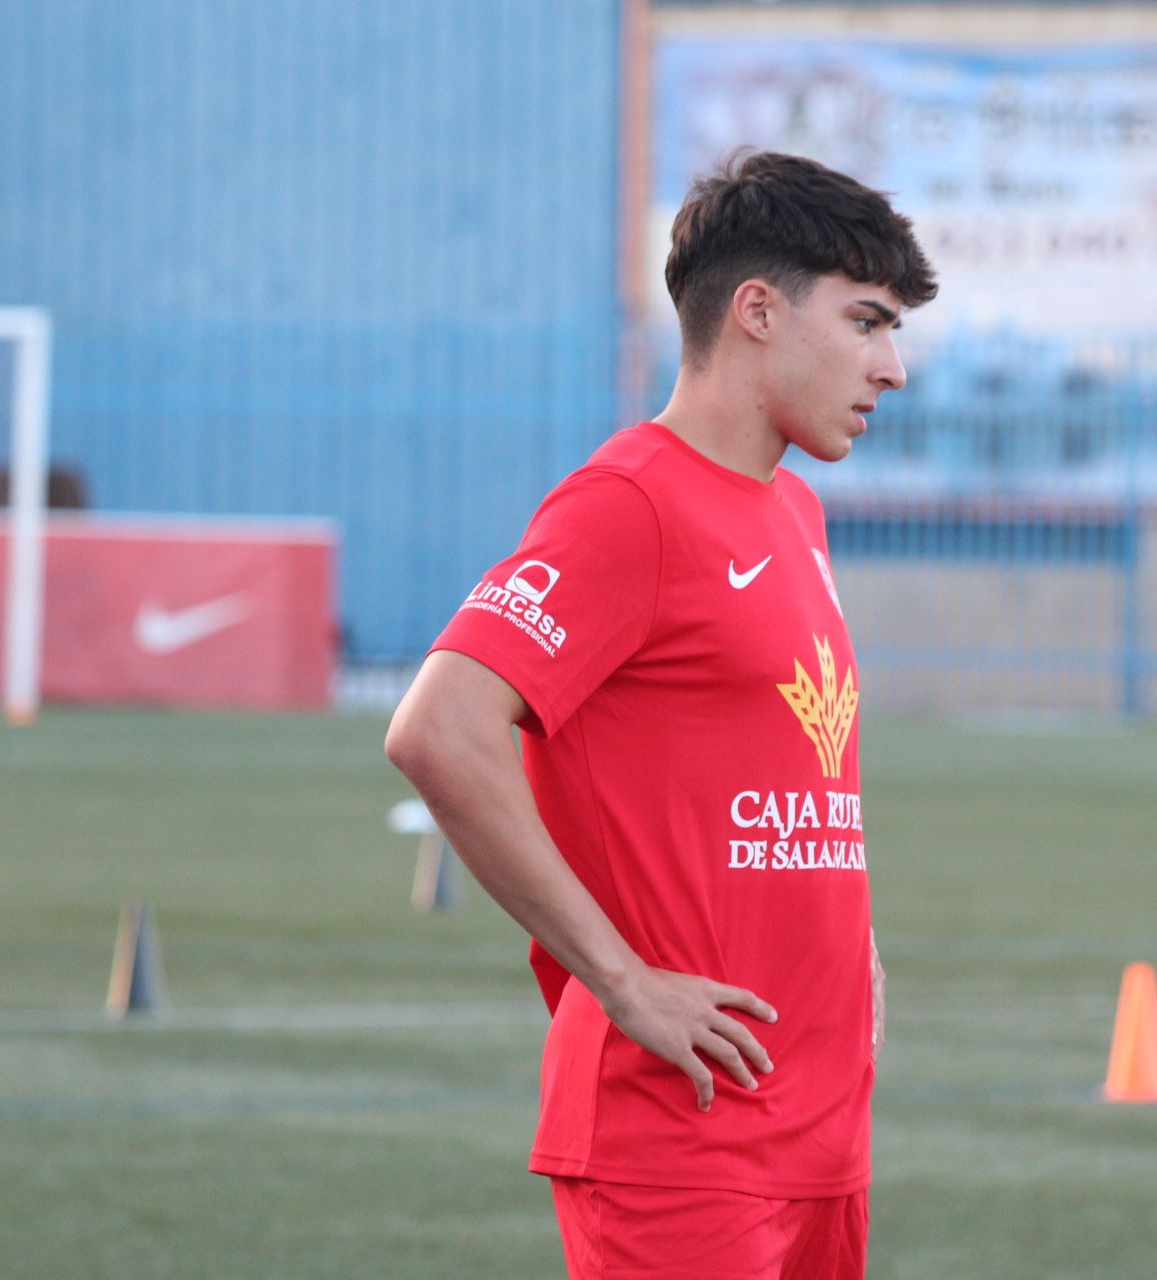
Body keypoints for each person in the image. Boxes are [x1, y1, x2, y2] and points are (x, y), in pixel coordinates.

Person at [384, 150, 937, 1279]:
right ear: (758, 312)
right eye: (869, 321)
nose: (895, 364)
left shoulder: (795, 513)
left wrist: (849, 945)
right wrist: (622, 979)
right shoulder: (628, 504)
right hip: (681, 1133)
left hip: (819, 1125)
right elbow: (438, 728)